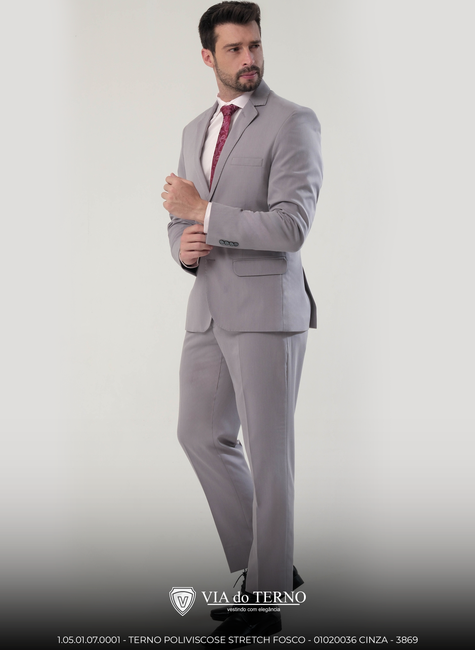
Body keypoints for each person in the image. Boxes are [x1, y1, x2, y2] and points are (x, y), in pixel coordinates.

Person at [162, 1, 322, 643]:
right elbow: (179, 218)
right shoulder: (194, 129)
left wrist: (204, 213)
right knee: (199, 433)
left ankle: (266, 598)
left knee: (270, 456)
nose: (249, 58)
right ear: (208, 56)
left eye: (254, 45)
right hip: (208, 307)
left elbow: (291, 226)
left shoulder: (293, 122)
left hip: (266, 313)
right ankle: (268, 567)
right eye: (234, 49)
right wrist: (182, 244)